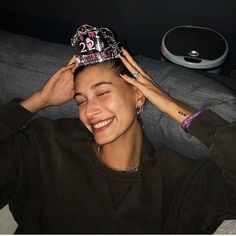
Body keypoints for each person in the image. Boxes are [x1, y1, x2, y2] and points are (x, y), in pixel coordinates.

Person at [0, 24, 236, 234]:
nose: (89, 111)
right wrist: (36, 102)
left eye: (102, 93)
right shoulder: (45, 147)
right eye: (80, 100)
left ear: (138, 96)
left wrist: (169, 103)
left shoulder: (177, 181)